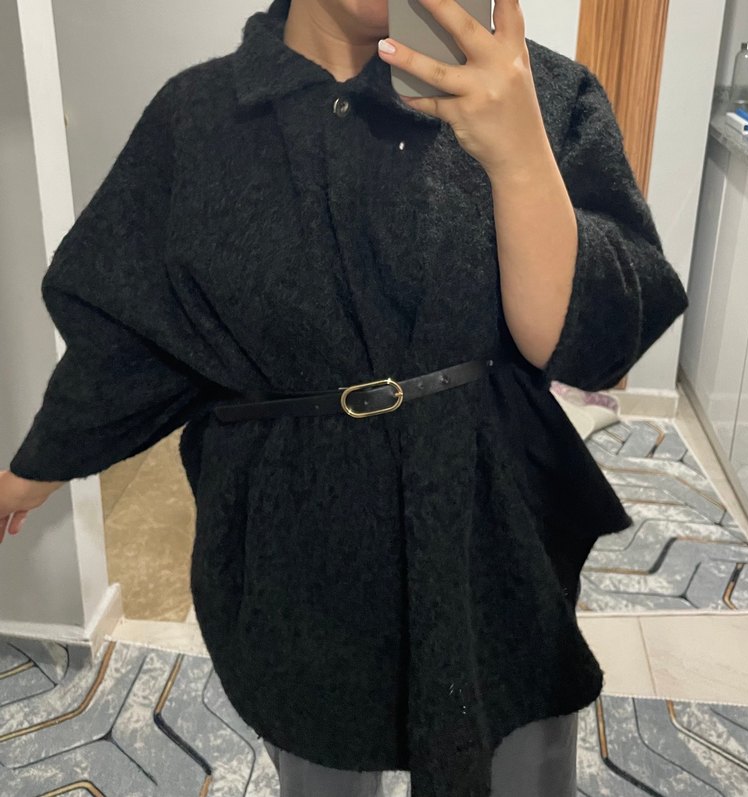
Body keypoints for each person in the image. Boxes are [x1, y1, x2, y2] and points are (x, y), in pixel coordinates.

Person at [0, 0, 689, 794]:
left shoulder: (540, 97)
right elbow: (136, 333)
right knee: (319, 757)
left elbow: (596, 345)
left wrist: (521, 160)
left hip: (490, 527)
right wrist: (42, 463)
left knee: (516, 748)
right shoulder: (198, 118)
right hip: (296, 540)